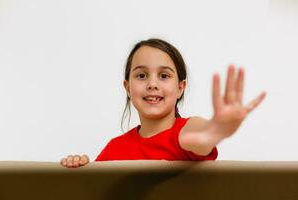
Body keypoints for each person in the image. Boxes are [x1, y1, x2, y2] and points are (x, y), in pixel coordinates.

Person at [60, 38, 266, 168]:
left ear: (180, 87)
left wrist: (217, 130)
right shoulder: (114, 149)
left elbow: (200, 138)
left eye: (164, 76)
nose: (152, 84)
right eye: (141, 75)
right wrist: (79, 168)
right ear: (127, 88)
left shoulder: (186, 129)